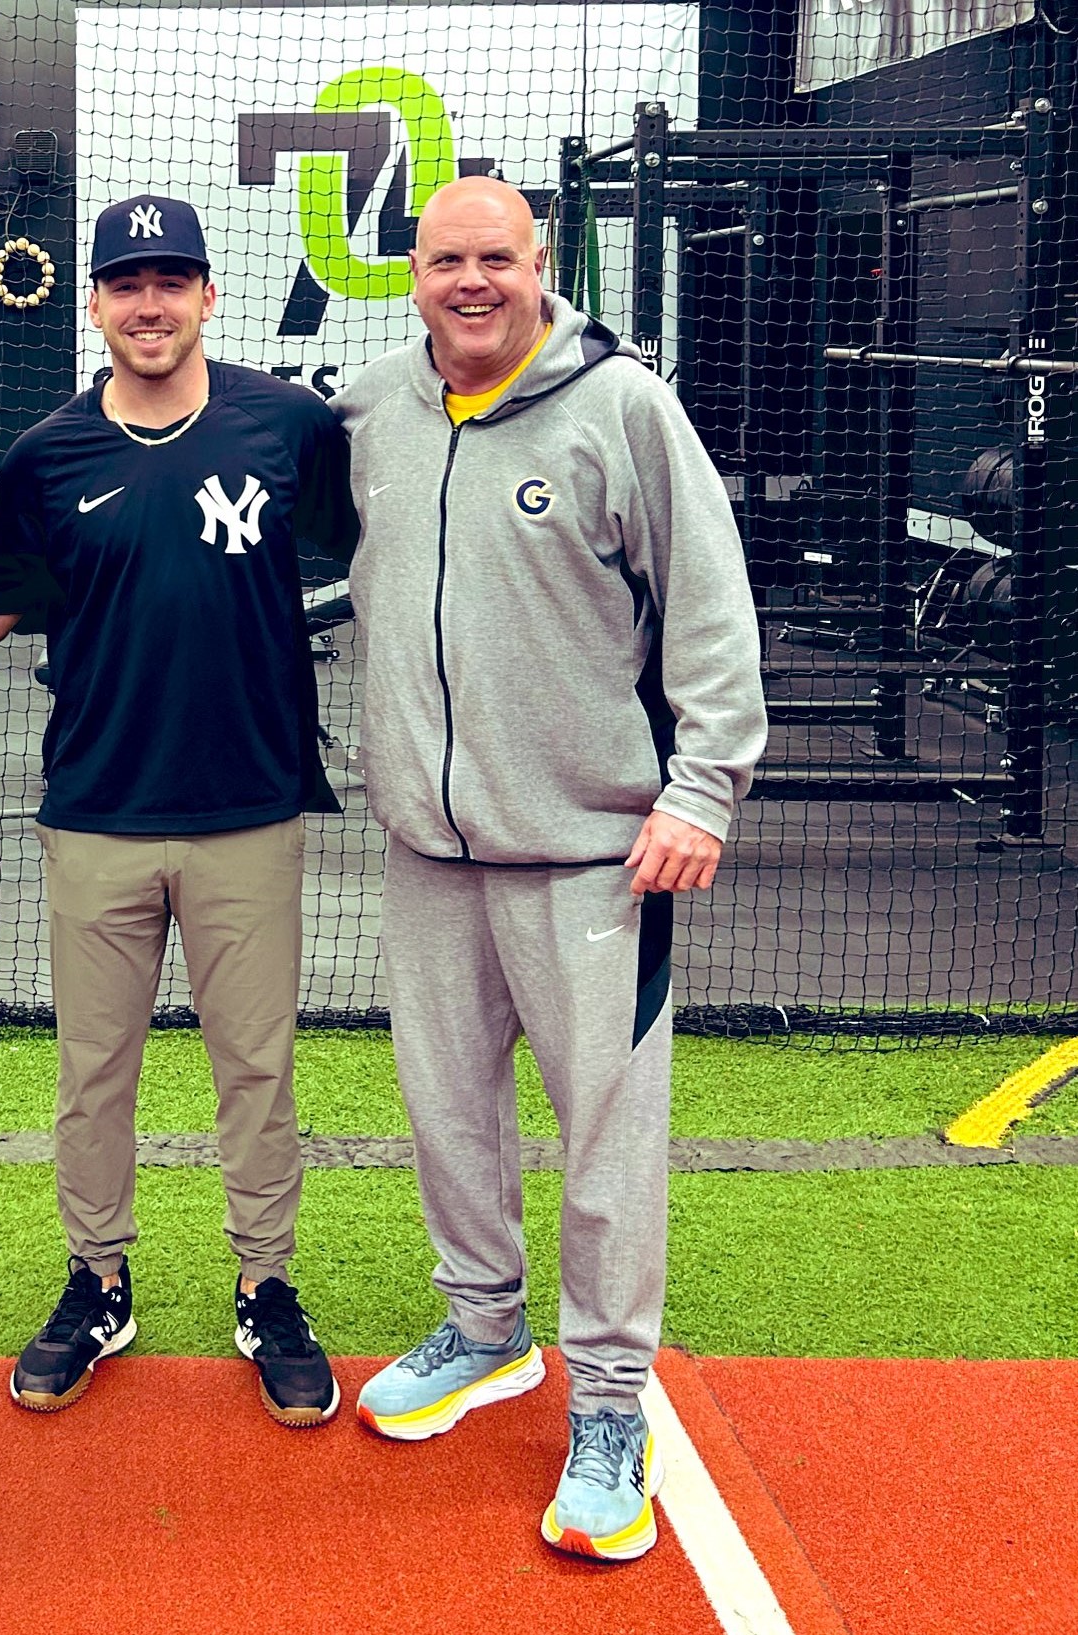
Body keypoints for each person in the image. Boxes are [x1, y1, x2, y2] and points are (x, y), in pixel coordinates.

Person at [334, 178, 767, 1560]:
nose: (473, 283)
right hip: (427, 847)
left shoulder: (623, 407)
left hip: (598, 854)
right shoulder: (372, 410)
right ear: (413, 273)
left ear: (541, 264)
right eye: (447, 260)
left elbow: (710, 602)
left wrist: (702, 788)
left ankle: (610, 1400)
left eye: (497, 260)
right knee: (449, 1109)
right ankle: (482, 1327)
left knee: (605, 1144)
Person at [0, 195, 358, 1427]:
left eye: (170, 280)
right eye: (124, 282)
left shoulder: (288, 425)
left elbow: (378, 557)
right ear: (91, 304)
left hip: (250, 804)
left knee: (256, 1067)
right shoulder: (43, 459)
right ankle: (98, 1280)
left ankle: (265, 1285)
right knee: (94, 1073)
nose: (149, 303)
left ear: (207, 296)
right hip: (95, 808)